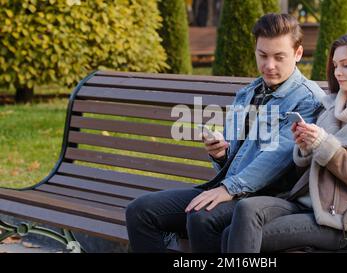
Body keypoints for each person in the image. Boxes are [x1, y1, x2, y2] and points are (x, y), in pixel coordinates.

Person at [125, 13, 325, 252]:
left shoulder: (307, 99)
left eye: (279, 57)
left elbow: (277, 157)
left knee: (201, 216)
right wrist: (220, 154)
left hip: (272, 199)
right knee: (140, 211)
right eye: (262, 55)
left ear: (298, 54)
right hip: (231, 188)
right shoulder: (247, 93)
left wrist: (229, 189)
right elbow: (232, 161)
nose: (269, 65)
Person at [222, 31, 347, 253]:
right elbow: (306, 171)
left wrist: (324, 146)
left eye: (346, 65)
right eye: (335, 65)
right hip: (310, 206)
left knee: (241, 235)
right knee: (245, 211)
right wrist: (305, 148)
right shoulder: (333, 108)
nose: (338, 72)